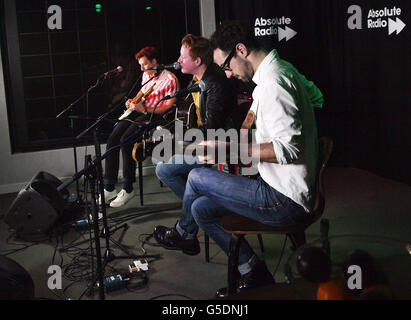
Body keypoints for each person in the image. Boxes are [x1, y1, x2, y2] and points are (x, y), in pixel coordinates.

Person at [153, 21, 324, 297]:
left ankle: (185, 234)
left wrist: (232, 150)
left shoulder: (274, 83)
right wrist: (224, 143)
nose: (228, 75)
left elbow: (288, 150)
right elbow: (316, 99)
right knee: (201, 209)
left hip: (284, 199)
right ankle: (253, 271)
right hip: (277, 186)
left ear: (241, 50)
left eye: (227, 66)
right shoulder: (277, 75)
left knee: (196, 176)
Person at [154, 34, 238, 201]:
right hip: (200, 138)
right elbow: (184, 108)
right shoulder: (196, 80)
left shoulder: (215, 82)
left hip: (219, 143)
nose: (178, 60)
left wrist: (177, 138)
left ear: (197, 61)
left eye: (183, 57)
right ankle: (199, 199)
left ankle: (196, 206)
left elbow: (213, 128)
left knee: (163, 170)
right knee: (159, 158)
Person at [102, 46, 179, 208]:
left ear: (154, 62)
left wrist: (145, 109)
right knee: (112, 139)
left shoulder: (170, 79)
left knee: (125, 141)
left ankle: (128, 188)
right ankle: (109, 186)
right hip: (139, 112)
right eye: (140, 65)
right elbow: (142, 92)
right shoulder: (146, 75)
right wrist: (133, 101)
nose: (142, 68)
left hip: (154, 115)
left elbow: (169, 107)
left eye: (144, 64)